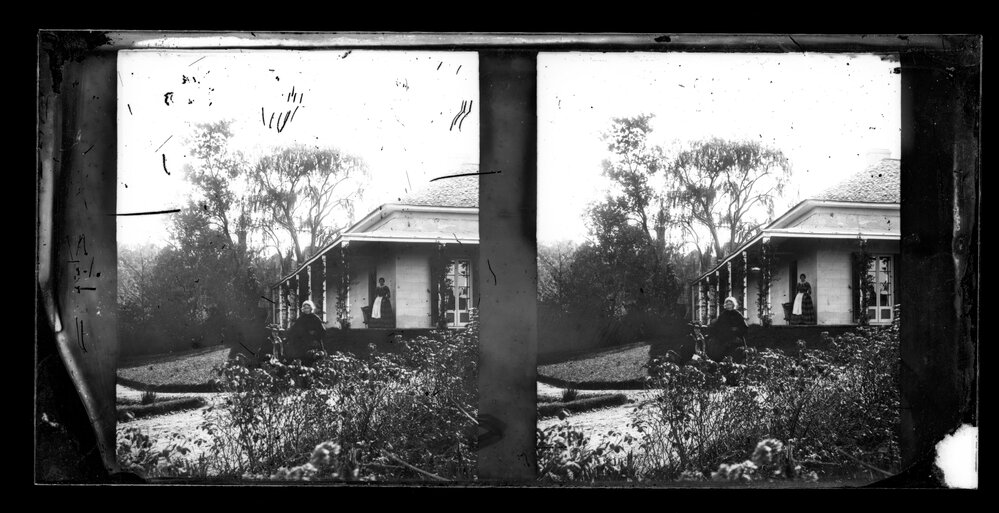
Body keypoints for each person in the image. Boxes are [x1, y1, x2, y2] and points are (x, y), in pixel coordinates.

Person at [707, 296, 748, 362]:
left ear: (733, 305)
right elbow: (717, 326)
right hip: (724, 340)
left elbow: (744, 327)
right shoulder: (723, 314)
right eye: (727, 304)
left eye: (730, 304)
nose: (729, 306)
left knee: (736, 356)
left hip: (735, 339)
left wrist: (737, 329)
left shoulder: (738, 314)